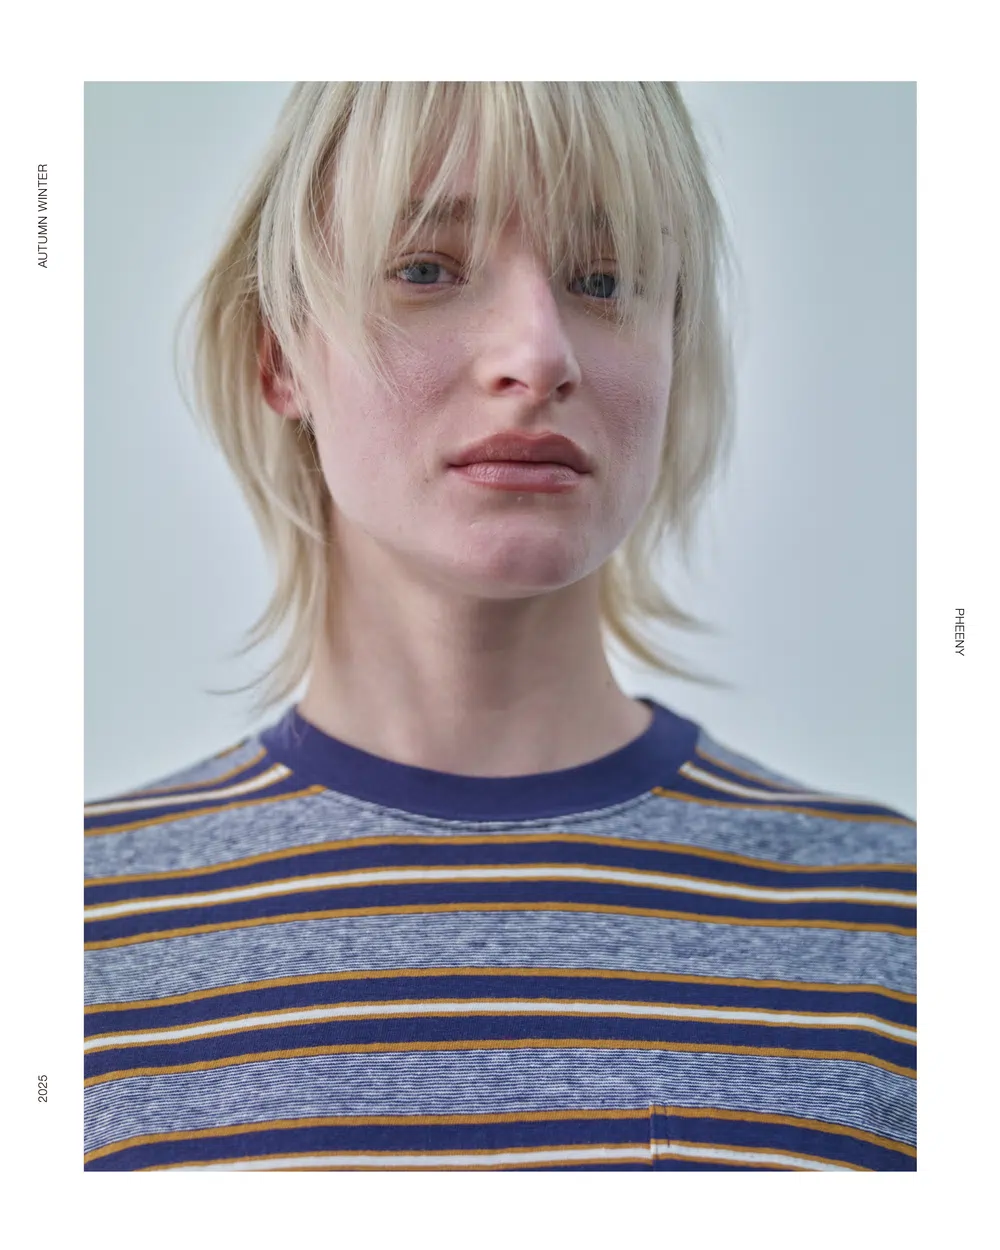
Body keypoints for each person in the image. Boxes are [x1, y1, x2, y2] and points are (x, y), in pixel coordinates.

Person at [84, 82, 915, 1172]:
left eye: (603, 280)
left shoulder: (898, 927)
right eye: (426, 269)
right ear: (280, 353)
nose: (539, 350)